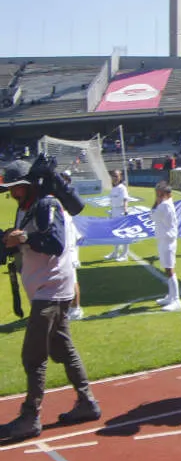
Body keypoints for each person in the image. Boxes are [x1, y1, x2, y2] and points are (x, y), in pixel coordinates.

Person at [0, 160, 101, 442]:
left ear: (28, 184)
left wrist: (25, 237)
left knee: (33, 358)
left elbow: (54, 244)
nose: (12, 193)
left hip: (51, 291)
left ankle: (30, 417)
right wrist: (10, 239)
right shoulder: (26, 208)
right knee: (63, 349)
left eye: (16, 187)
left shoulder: (47, 204)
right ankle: (87, 402)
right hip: (47, 289)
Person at [152, 182, 181, 311]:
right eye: (157, 194)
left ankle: (176, 300)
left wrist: (156, 202)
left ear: (166, 194)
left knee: (170, 269)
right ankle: (170, 296)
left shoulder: (164, 206)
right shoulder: (166, 204)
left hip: (167, 240)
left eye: (160, 194)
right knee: (167, 268)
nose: (158, 196)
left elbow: (152, 215)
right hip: (164, 239)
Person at [60, 170, 85, 321]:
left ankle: (76, 309)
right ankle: (71, 308)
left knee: (72, 279)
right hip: (68, 244)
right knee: (67, 280)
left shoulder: (69, 198)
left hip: (70, 247)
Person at [105, 169, 130, 261]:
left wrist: (125, 210)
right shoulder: (114, 188)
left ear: (120, 177)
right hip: (114, 211)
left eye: (116, 176)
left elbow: (125, 199)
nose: (115, 178)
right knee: (115, 233)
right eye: (113, 176)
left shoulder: (122, 188)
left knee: (124, 233)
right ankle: (115, 252)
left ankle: (124, 254)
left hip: (120, 211)